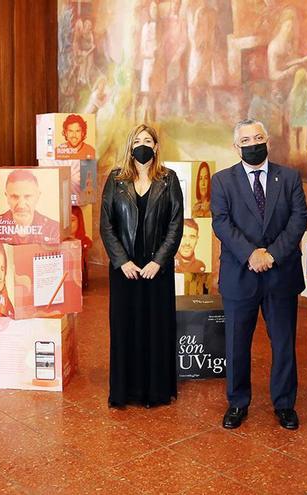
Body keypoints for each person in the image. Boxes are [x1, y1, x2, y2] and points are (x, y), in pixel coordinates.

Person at [211, 118, 307, 430]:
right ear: (235, 146)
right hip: (240, 273)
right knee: (237, 344)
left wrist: (271, 254)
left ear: (268, 140)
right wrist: (251, 254)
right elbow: (221, 222)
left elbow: (299, 218)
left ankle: (284, 404)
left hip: (281, 273)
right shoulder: (222, 181)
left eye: (258, 137)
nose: (253, 144)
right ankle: (237, 403)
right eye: (246, 140)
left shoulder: (289, 177)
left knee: (283, 343)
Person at [101, 123, 184, 408]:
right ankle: (127, 391)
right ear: (130, 146)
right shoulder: (115, 179)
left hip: (156, 270)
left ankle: (156, 392)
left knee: (156, 328)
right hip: (125, 270)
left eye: (148, 140)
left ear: (156, 147)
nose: (143, 145)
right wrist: (121, 260)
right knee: (126, 327)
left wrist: (158, 261)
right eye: (137, 140)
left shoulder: (168, 179)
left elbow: (175, 225)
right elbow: (106, 225)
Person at [0, 169, 61, 244]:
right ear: (7, 197)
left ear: (37, 197)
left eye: (28, 196)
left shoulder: (54, 229)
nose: (21, 205)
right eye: (14, 197)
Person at [70, 205, 93, 288]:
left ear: (79, 221)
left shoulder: (84, 241)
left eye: (72, 220)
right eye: (65, 220)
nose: (68, 224)